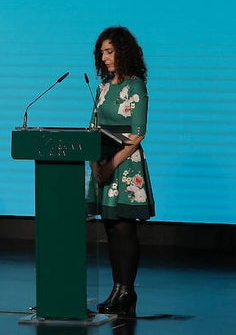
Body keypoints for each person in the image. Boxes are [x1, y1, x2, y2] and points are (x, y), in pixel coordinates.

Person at [86, 26, 155, 318]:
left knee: (125, 227)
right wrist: (95, 164)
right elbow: (91, 128)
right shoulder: (102, 87)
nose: (104, 58)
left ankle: (127, 290)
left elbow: (137, 134)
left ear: (123, 51)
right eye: (101, 52)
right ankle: (116, 289)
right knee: (111, 228)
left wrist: (111, 165)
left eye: (109, 51)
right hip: (101, 163)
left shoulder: (135, 85)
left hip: (124, 165)